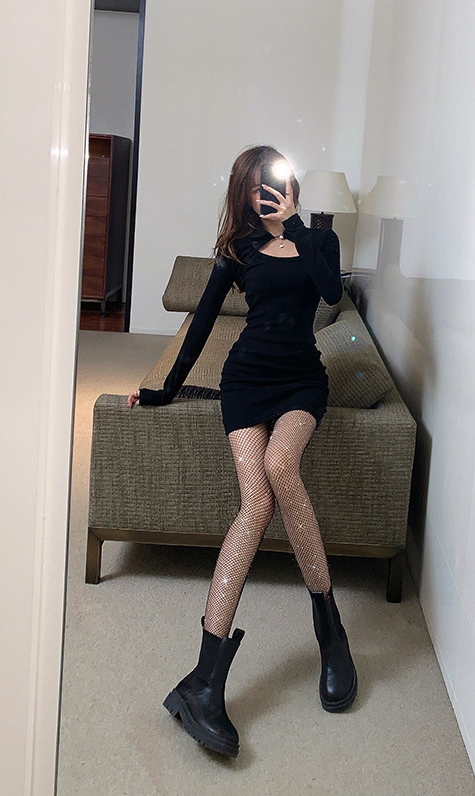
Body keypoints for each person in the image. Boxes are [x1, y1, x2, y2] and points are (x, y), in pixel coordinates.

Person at [128, 145, 357, 758]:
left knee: (281, 466)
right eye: (256, 187)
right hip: (246, 381)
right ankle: (204, 680)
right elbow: (203, 322)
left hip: (302, 382)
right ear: (244, 195)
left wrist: (296, 227)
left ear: (291, 185)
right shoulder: (238, 251)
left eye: (274, 182)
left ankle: (331, 636)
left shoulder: (320, 240)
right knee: (255, 504)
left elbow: (330, 293)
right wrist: (164, 390)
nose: (267, 194)